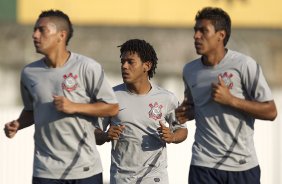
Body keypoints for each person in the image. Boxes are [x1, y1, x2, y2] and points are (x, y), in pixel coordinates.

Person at [4, 9, 119, 184]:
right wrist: (18, 124)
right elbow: (31, 110)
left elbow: (112, 107)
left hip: (85, 168)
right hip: (45, 170)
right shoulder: (29, 73)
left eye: (42, 30)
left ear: (61, 35)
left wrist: (74, 106)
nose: (35, 35)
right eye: (34, 30)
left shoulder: (87, 67)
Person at [175, 7, 277, 184]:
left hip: (241, 165)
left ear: (220, 35)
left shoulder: (245, 65)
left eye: (203, 31)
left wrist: (231, 100)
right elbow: (192, 106)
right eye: (195, 30)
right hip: (203, 163)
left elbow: (270, 111)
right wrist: (184, 113)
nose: (196, 36)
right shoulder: (190, 70)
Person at [95, 39, 188, 184]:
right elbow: (94, 133)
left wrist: (172, 137)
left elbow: (182, 130)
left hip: (154, 177)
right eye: (122, 62)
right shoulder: (110, 97)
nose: (124, 66)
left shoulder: (167, 98)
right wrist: (106, 135)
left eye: (130, 62)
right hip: (121, 179)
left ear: (147, 66)